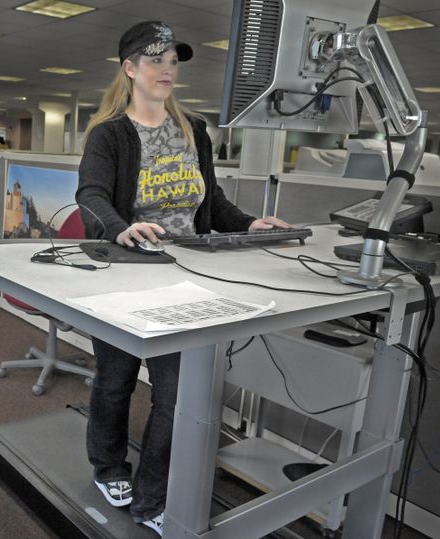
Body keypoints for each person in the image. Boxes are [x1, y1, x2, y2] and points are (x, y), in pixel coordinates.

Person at [75, 21, 289, 536]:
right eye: (156, 60)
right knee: (115, 380)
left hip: (183, 273)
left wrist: (247, 223)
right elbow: (91, 195)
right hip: (124, 271)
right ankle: (108, 467)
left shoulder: (193, 128)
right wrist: (124, 228)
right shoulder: (110, 134)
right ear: (130, 69)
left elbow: (209, 201)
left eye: (173, 60)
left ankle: (152, 501)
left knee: (175, 393)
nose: (167, 69)